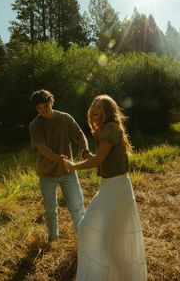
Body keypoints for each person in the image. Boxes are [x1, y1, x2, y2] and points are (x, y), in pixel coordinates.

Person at [64, 94, 147, 281]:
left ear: (107, 111)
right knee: (104, 233)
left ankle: (114, 275)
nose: (95, 107)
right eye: (94, 104)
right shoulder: (106, 129)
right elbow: (102, 158)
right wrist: (90, 157)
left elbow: (99, 160)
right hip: (110, 186)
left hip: (116, 188)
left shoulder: (109, 129)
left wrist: (73, 165)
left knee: (100, 231)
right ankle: (110, 275)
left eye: (100, 106)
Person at [29, 89, 91, 242]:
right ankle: (54, 240)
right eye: (39, 109)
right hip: (46, 174)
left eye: (46, 106)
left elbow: (80, 135)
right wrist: (57, 158)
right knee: (51, 211)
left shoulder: (65, 118)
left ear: (52, 101)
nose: (43, 111)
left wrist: (85, 149)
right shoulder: (35, 125)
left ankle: (84, 238)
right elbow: (41, 148)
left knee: (77, 207)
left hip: (68, 170)